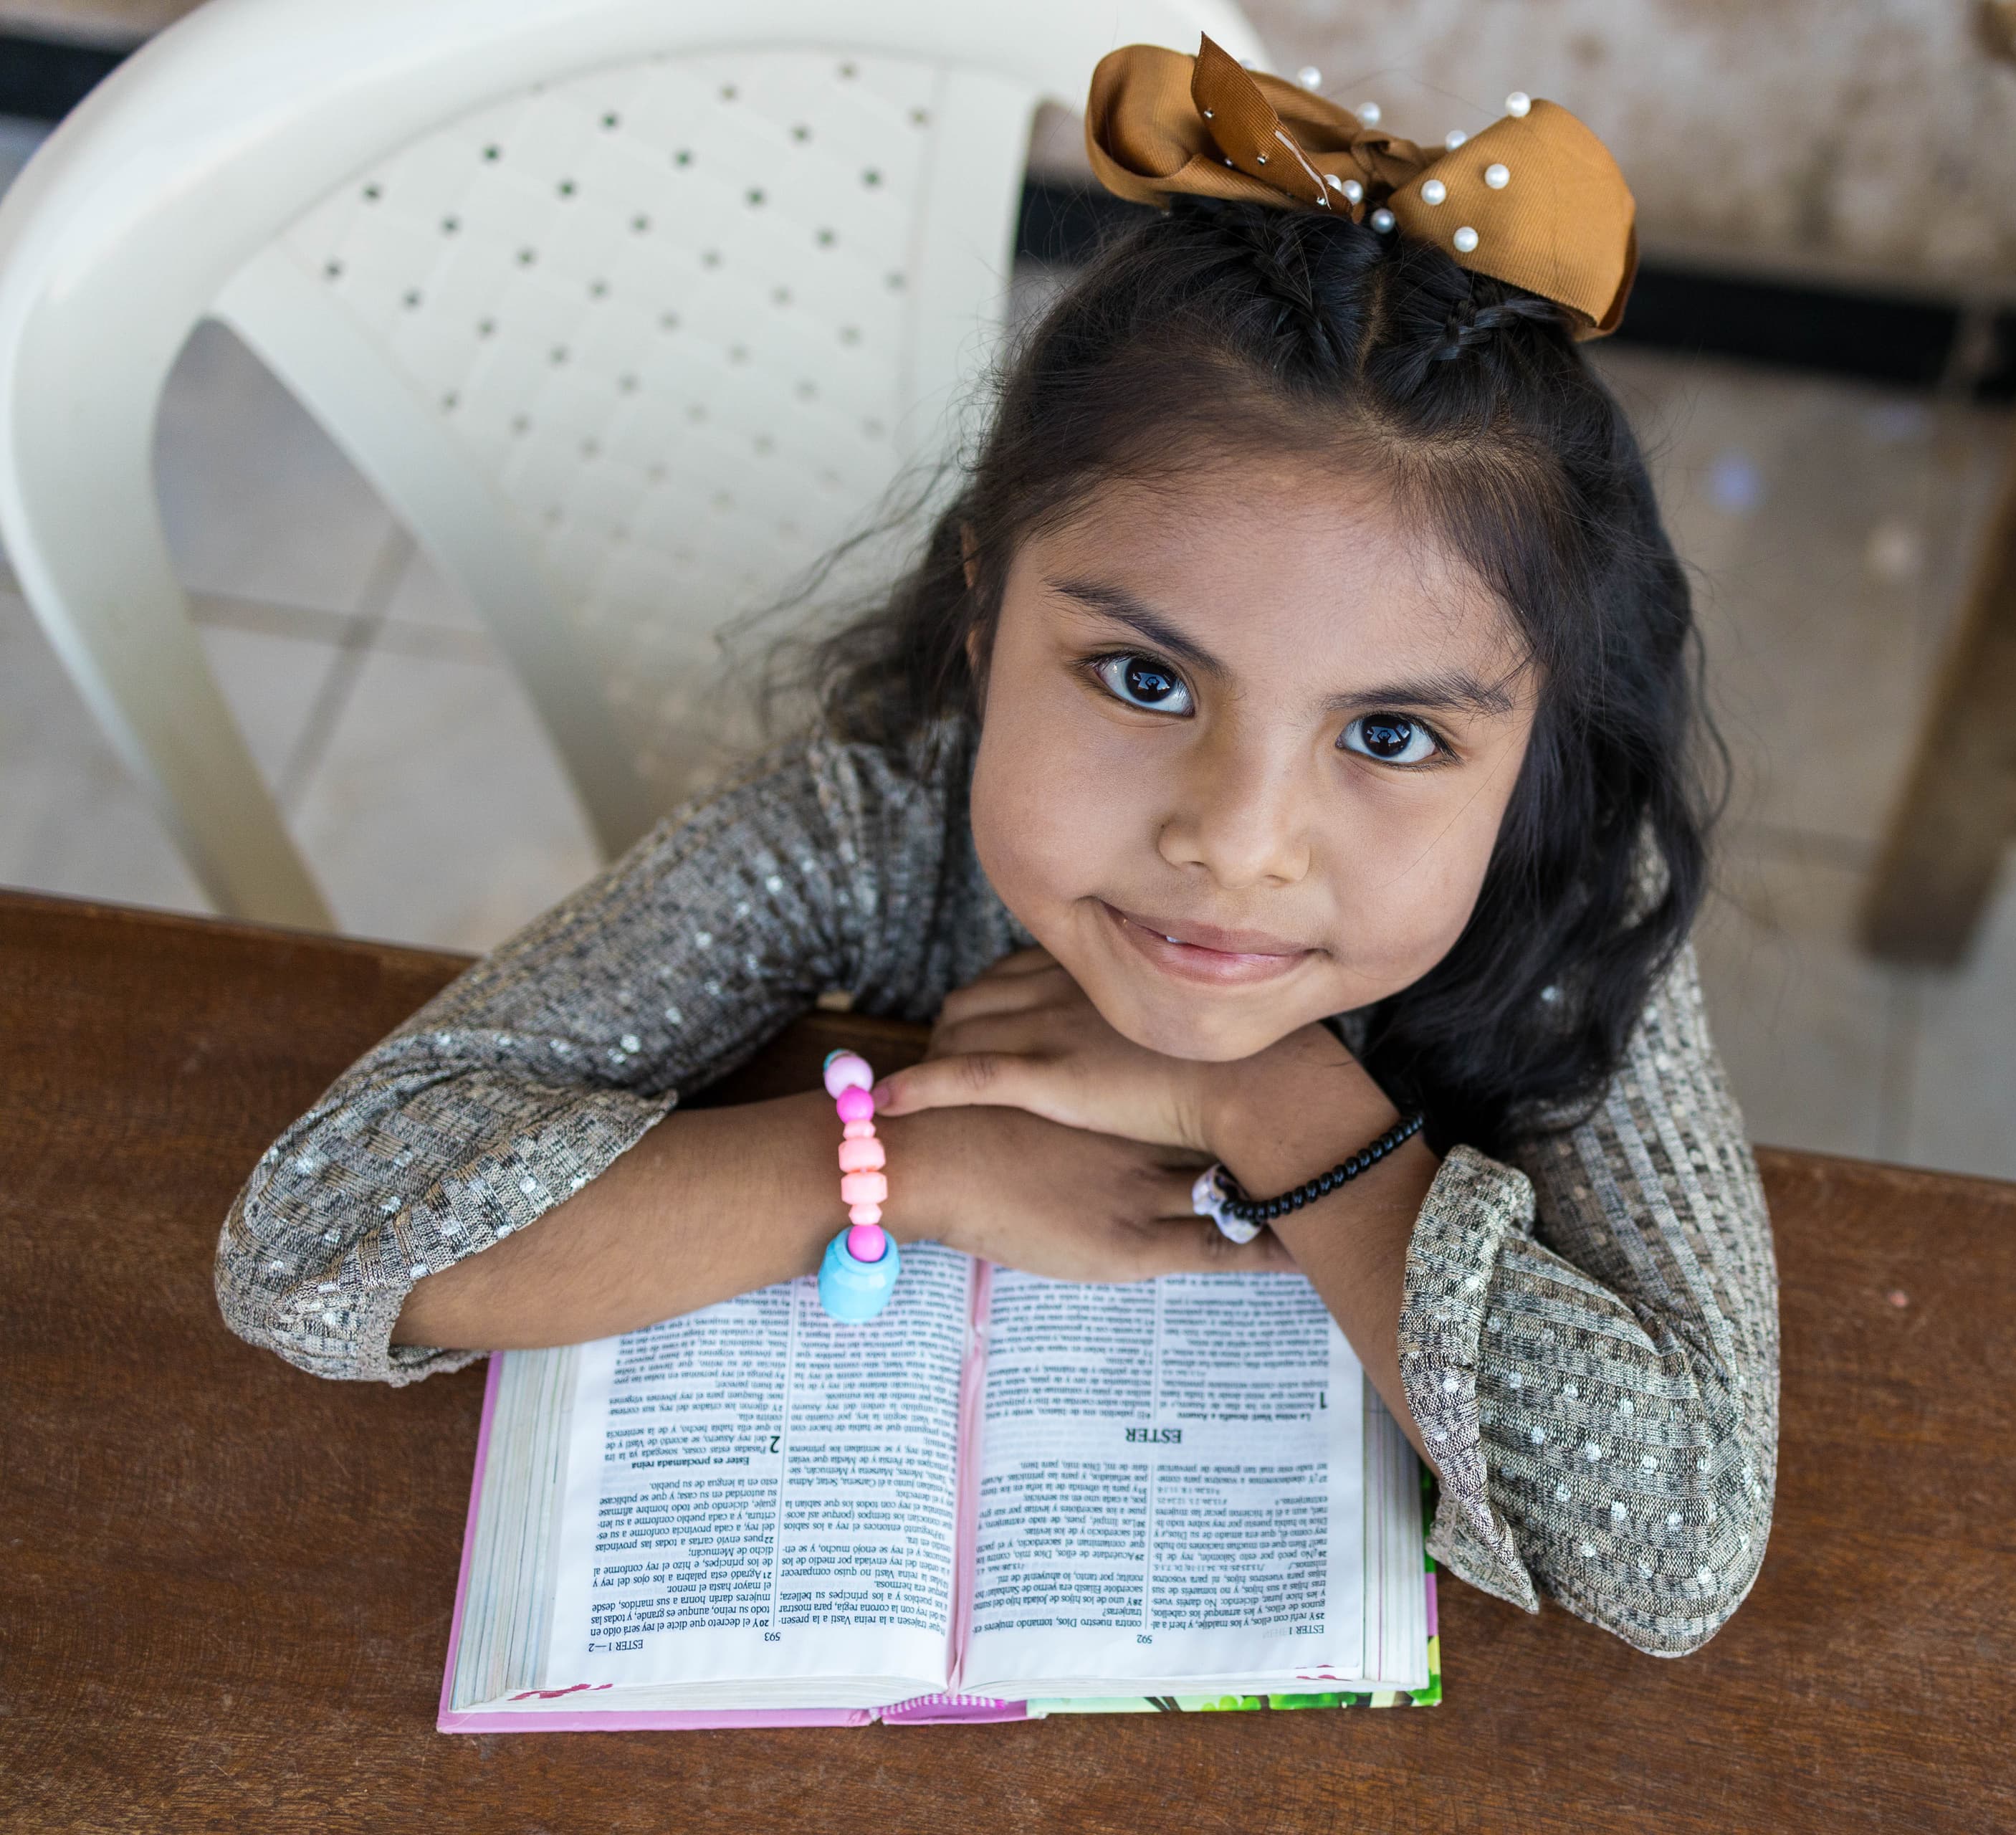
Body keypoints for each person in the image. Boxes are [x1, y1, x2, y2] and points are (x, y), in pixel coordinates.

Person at [216, 39, 1777, 1658]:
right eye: (1146, 678)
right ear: (984, 608)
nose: (1235, 846)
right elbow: (320, 1240)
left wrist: (1260, 1097)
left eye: (1391, 735)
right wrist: (919, 1167)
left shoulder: (1575, 921)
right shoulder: (870, 823)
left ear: (1537, 748)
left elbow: (1677, 1545)